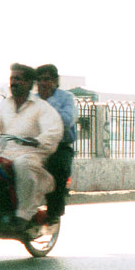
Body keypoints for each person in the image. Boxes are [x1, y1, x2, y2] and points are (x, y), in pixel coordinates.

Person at [0, 63, 63, 232]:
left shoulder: (41, 107)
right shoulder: (5, 105)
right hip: (5, 153)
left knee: (22, 164)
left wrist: (37, 140)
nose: (13, 82)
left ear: (30, 83)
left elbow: (54, 131)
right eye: (12, 78)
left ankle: (23, 215)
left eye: (18, 79)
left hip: (31, 154)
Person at [36, 64, 78, 223]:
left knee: (57, 168)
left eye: (46, 79)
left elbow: (67, 120)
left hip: (60, 146)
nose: (42, 83)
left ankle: (53, 214)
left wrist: (48, 103)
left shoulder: (66, 98)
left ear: (55, 81)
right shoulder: (33, 99)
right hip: (35, 145)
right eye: (39, 80)